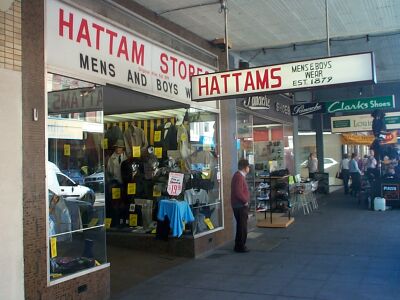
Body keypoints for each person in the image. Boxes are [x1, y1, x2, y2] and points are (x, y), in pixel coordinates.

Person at [231, 159, 250, 253]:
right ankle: (240, 246)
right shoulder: (239, 177)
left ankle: (239, 245)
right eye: (248, 166)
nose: (249, 168)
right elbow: (238, 192)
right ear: (245, 167)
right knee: (242, 226)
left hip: (239, 205)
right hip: (240, 205)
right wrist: (245, 201)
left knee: (241, 226)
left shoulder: (239, 176)